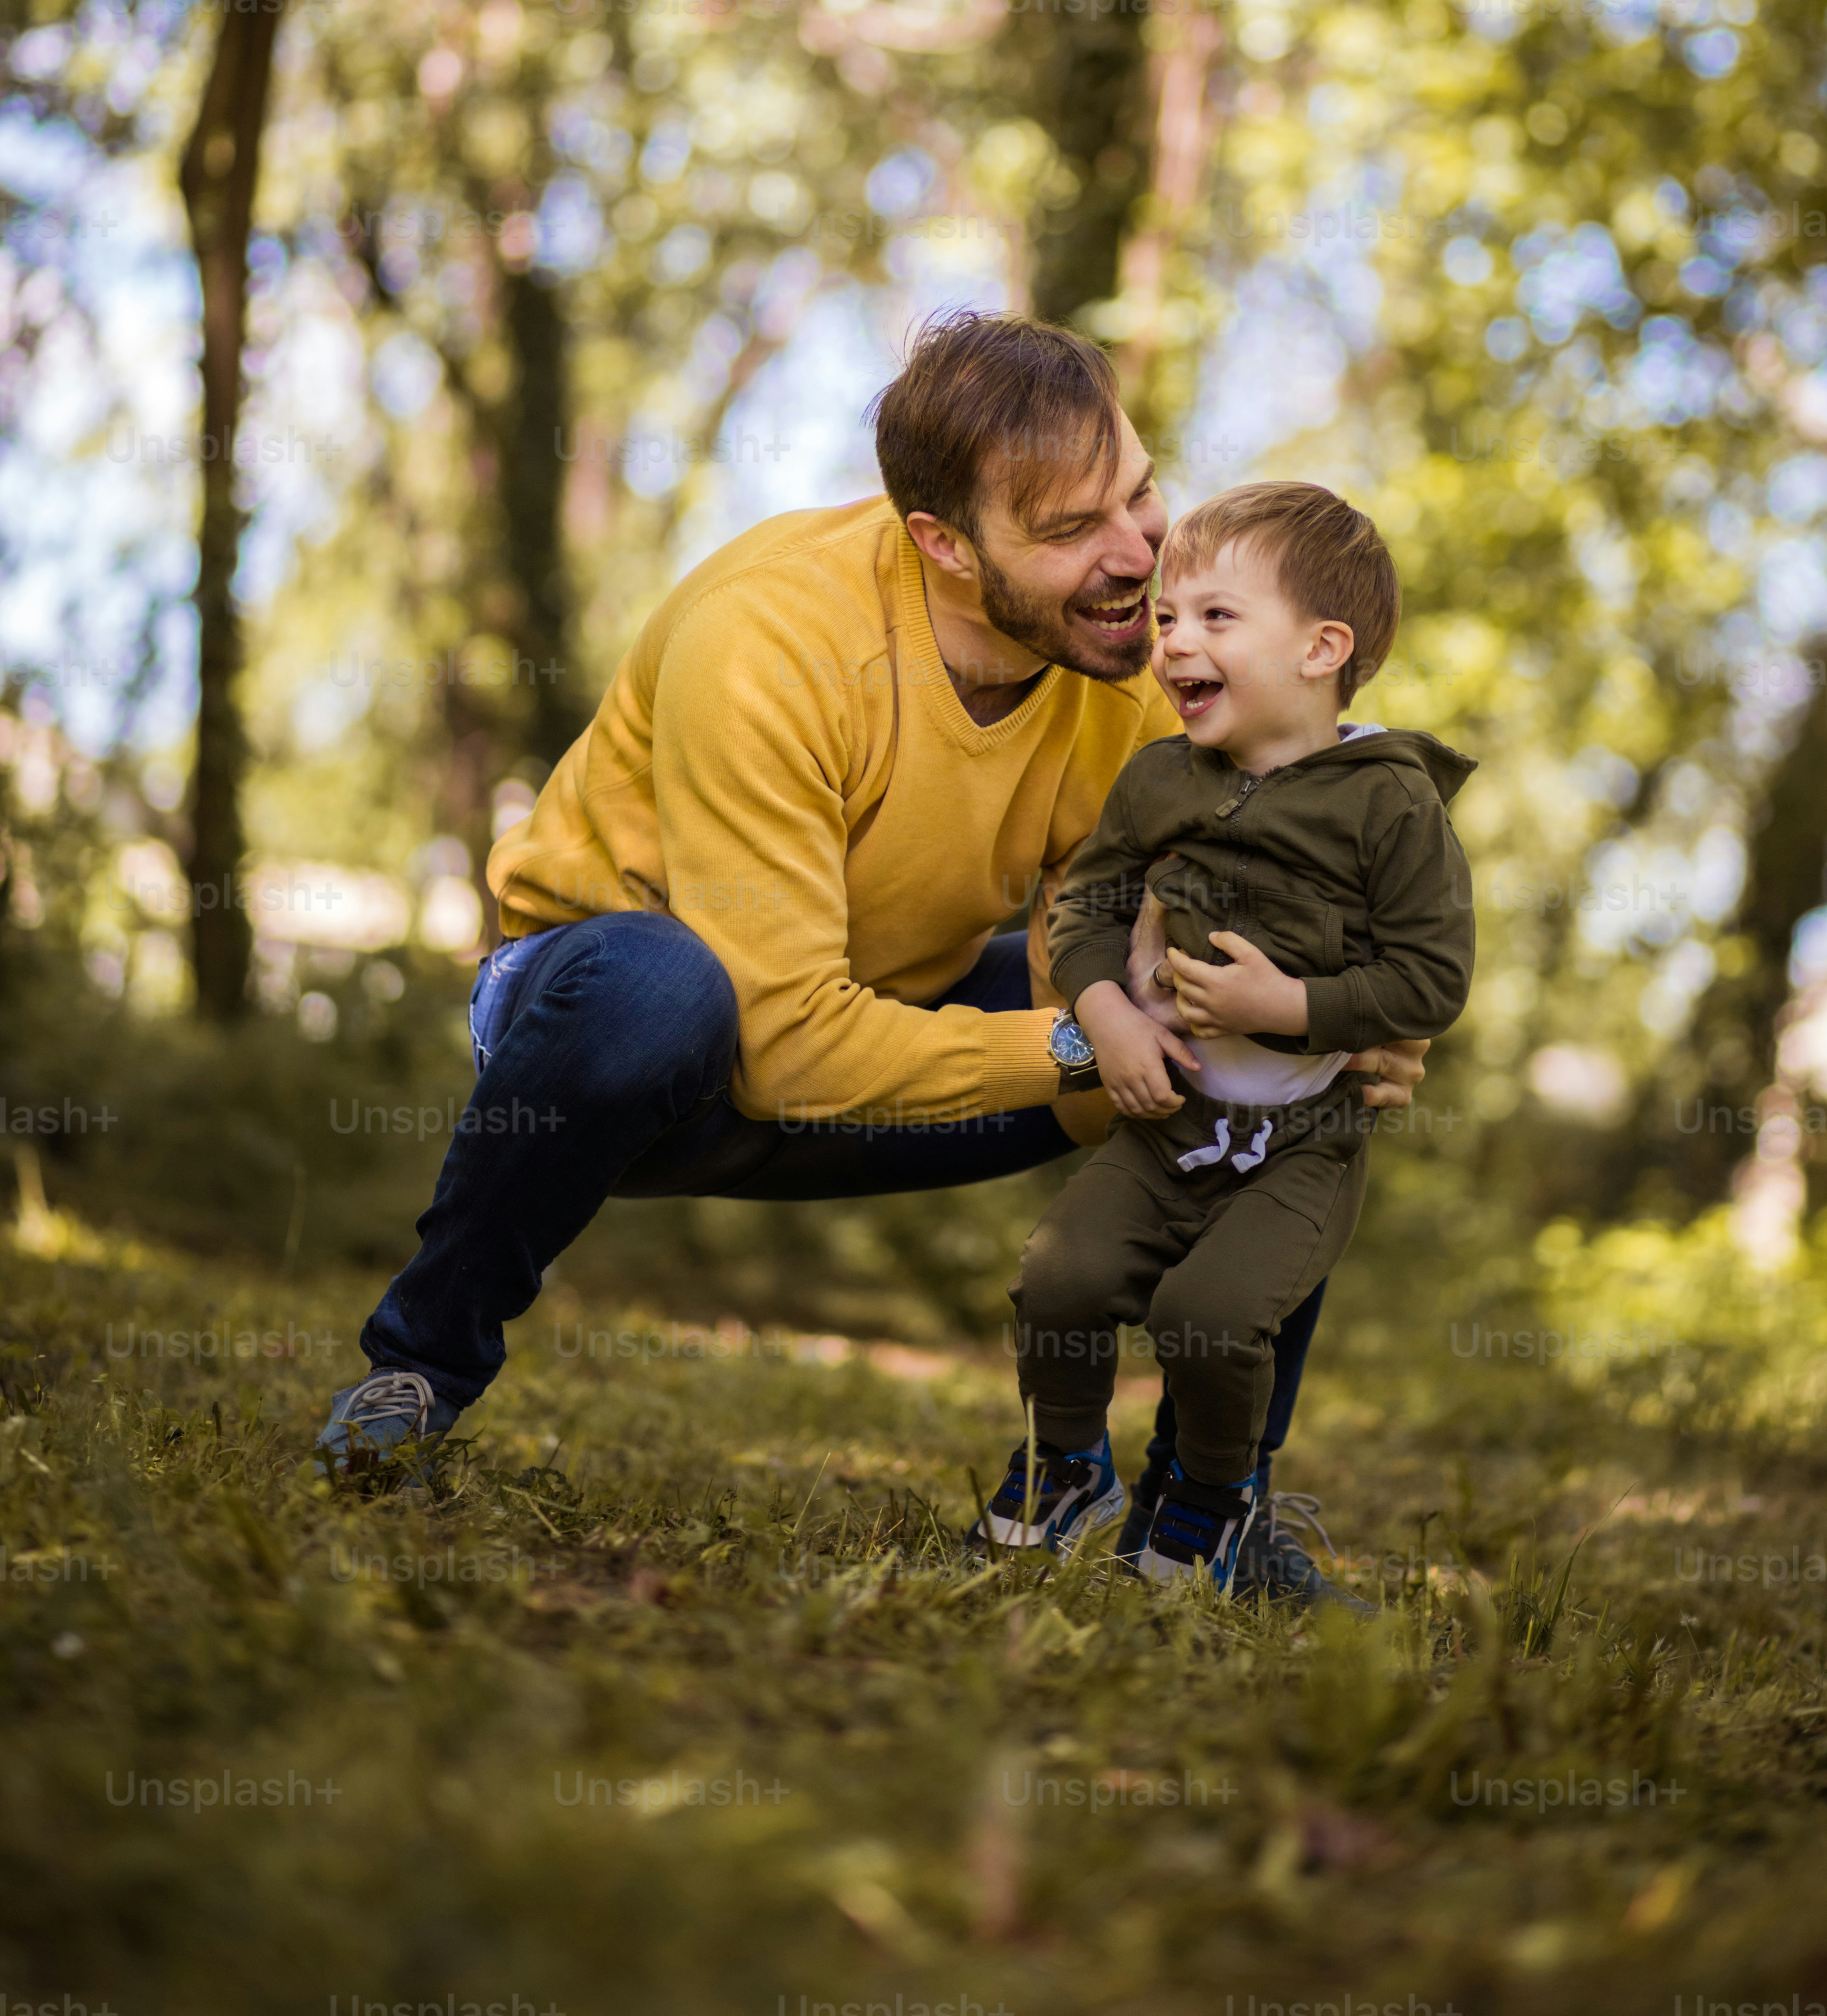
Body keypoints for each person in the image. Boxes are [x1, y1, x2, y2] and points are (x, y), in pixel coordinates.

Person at [315, 316, 1434, 1599]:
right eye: (1073, 529)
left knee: (1280, 1075)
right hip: (626, 1033)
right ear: (943, 544)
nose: (1137, 557)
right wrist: (1084, 1037)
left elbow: (1184, 934)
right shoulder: (773, 638)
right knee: (663, 991)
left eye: (1139, 489)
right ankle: (420, 1369)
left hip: (891, 1018)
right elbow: (785, 1039)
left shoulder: (1136, 665)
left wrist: (1329, 1020)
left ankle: (1207, 1506)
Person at [975, 480, 1475, 1593]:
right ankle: (1067, 1465)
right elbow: (1088, 907)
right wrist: (1103, 1013)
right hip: (1168, 1114)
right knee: (1058, 1276)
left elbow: (1432, 978)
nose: (1173, 642)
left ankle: (1210, 1498)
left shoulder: (1393, 804)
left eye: (1214, 617)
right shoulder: (1162, 777)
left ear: (1321, 648)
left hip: (1301, 1143)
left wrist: (1286, 1010)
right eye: (1166, 618)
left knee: (1208, 1320)